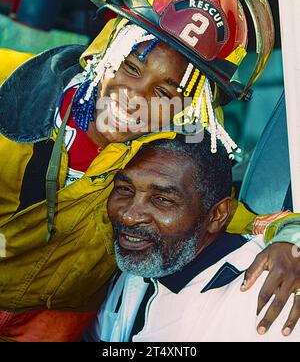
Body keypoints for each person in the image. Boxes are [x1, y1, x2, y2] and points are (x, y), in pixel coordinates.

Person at [0, 0, 299, 342]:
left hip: (59, 318)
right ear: (106, 47)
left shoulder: (169, 147)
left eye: (165, 92)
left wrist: (291, 240)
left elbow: (218, 211)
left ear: (190, 105)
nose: (135, 99)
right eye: (131, 67)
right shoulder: (8, 82)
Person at [84, 134, 300, 342]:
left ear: (217, 215)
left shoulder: (271, 292)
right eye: (124, 189)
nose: (129, 216)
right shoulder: (135, 271)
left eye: (162, 199)